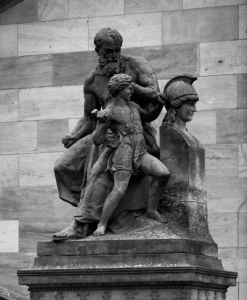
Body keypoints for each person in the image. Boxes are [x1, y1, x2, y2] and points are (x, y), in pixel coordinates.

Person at [53, 28, 165, 241]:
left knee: (100, 157)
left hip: (137, 132)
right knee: (62, 166)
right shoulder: (93, 79)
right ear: (98, 50)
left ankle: (82, 222)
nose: (114, 55)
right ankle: (93, 209)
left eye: (117, 50)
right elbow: (89, 117)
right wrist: (74, 136)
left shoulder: (136, 65)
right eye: (108, 51)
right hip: (105, 127)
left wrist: (129, 86)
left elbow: (154, 92)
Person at [88, 74, 169, 236]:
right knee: (119, 190)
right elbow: (97, 140)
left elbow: (148, 116)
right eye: (129, 89)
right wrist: (102, 124)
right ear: (119, 90)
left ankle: (151, 210)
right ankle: (102, 224)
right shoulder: (109, 111)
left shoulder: (132, 105)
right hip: (123, 152)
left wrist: (160, 105)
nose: (132, 91)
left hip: (140, 150)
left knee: (163, 174)